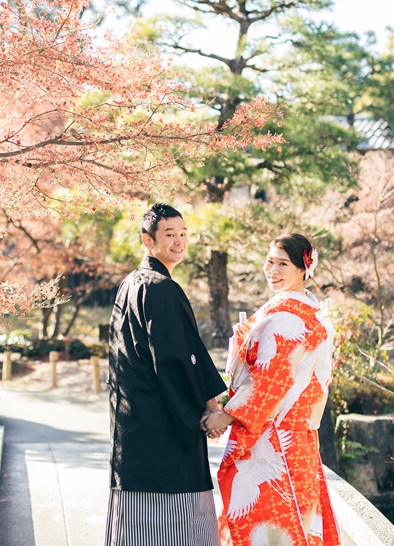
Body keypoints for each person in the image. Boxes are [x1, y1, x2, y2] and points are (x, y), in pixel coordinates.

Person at [201, 233, 340, 546]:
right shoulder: (311, 316)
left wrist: (226, 415)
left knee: (271, 525)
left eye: (283, 264)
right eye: (270, 261)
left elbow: (271, 381)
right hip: (298, 439)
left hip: (275, 438)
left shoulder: (285, 318)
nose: (273, 270)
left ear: (304, 269)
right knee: (295, 523)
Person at [106, 203, 228, 546]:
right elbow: (177, 360)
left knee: (136, 529)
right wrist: (207, 410)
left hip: (134, 425)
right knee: (175, 528)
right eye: (169, 234)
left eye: (183, 234)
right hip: (162, 426)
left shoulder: (131, 284)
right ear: (148, 241)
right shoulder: (160, 287)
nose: (179, 241)